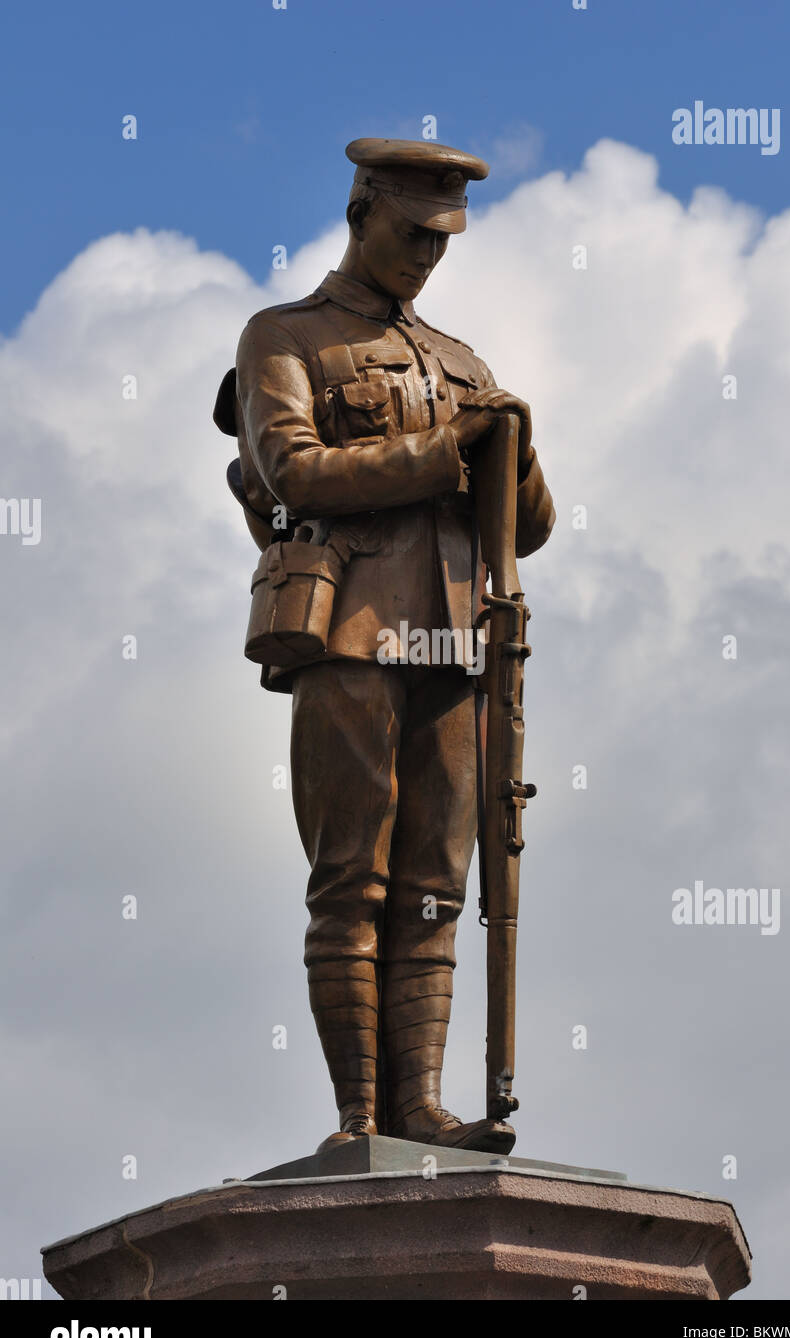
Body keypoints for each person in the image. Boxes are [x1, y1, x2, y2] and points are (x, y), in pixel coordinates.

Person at [215, 138, 555, 1153]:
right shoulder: (284, 336)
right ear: (361, 208)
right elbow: (287, 470)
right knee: (350, 882)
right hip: (351, 633)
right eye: (411, 234)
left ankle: (424, 1111)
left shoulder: (460, 363)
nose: (426, 257)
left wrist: (514, 450)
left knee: (437, 886)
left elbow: (525, 527)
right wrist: (437, 452)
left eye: (442, 241)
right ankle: (360, 1118)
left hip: (454, 647)